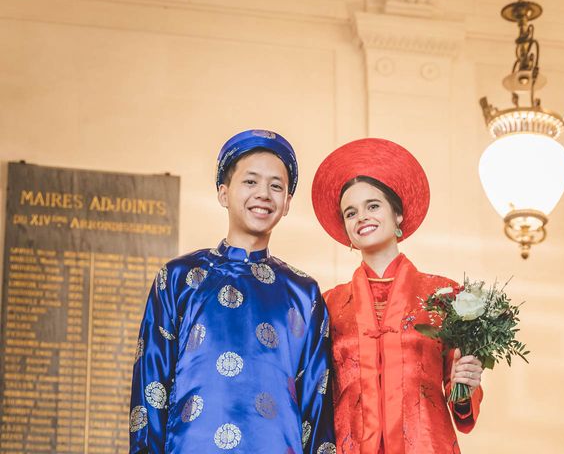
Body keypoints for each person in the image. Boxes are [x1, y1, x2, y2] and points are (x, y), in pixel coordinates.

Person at [129, 129, 335, 453]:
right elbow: (150, 391)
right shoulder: (179, 278)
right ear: (224, 194)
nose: (264, 194)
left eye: (276, 186)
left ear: (287, 203)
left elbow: (317, 407)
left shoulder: (304, 294)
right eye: (250, 182)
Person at [311, 138, 483, 454]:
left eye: (373, 206)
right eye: (351, 212)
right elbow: (314, 391)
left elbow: (458, 391)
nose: (361, 216)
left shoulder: (444, 296)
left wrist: (466, 384)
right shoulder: (328, 304)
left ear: (397, 214)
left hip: (426, 443)